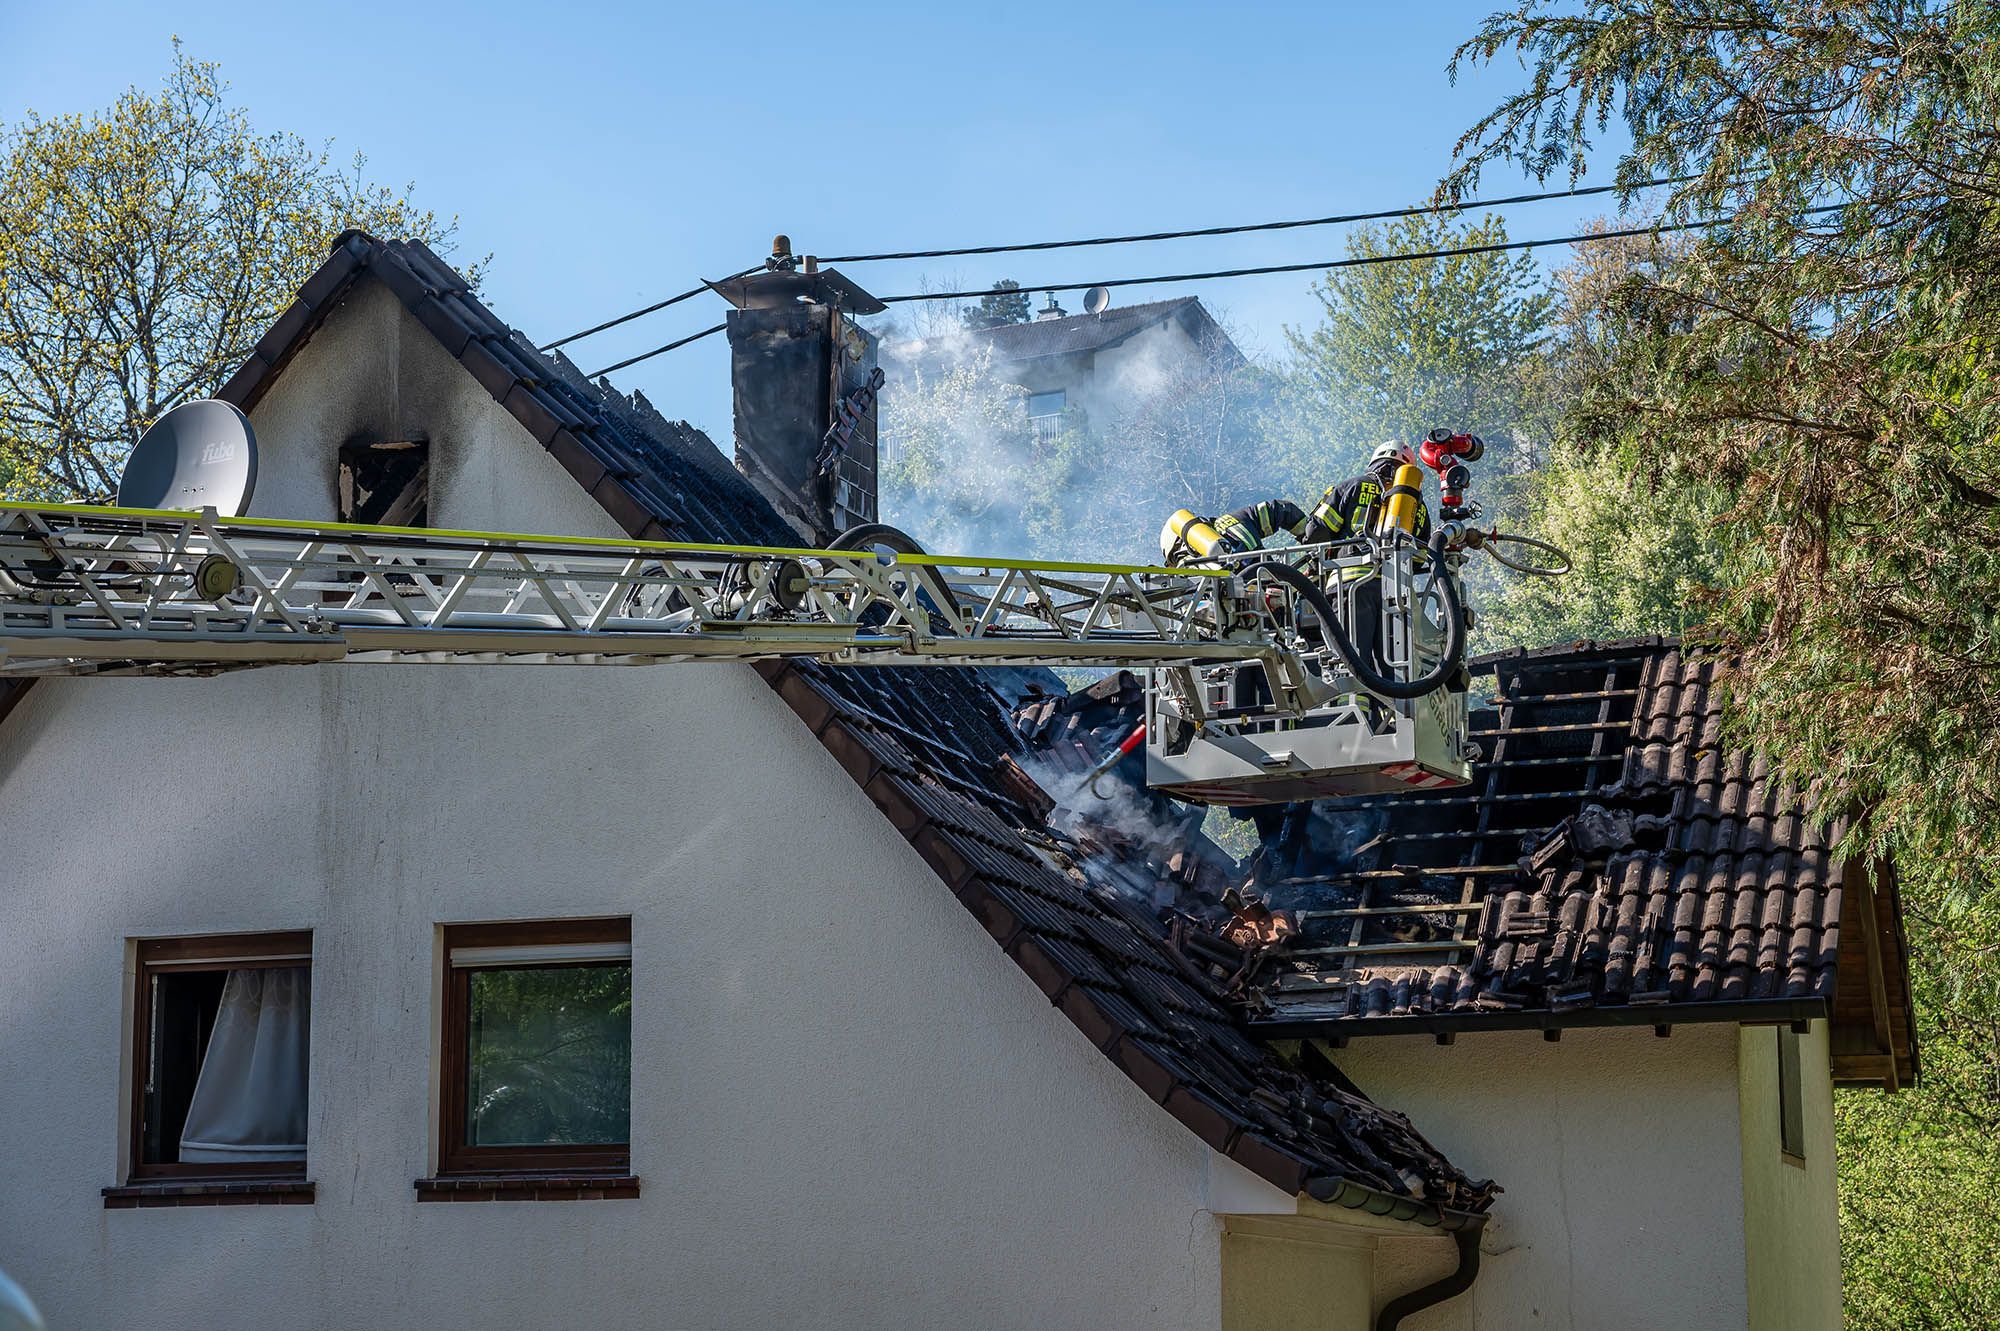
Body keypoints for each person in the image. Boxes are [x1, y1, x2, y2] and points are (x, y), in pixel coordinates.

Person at [1206, 440, 1430, 557]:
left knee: (1345, 645)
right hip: (1399, 597)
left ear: (1374, 461)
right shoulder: (1418, 508)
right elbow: (1423, 555)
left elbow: (1316, 533)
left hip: (1347, 582)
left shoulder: (1350, 486)